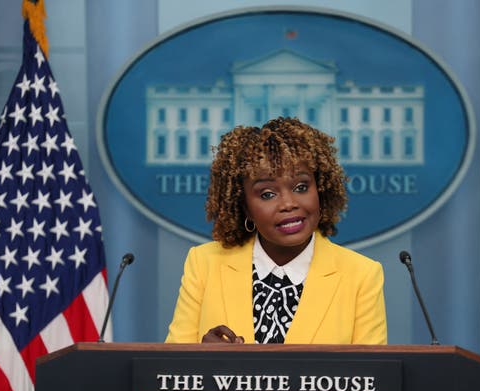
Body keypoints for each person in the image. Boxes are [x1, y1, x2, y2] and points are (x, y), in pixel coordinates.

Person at [165, 117, 387, 344]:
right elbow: (167, 372)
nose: (288, 203)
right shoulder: (204, 263)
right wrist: (198, 359)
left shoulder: (362, 275)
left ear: (320, 190)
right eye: (267, 194)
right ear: (245, 207)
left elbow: (373, 377)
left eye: (301, 187)